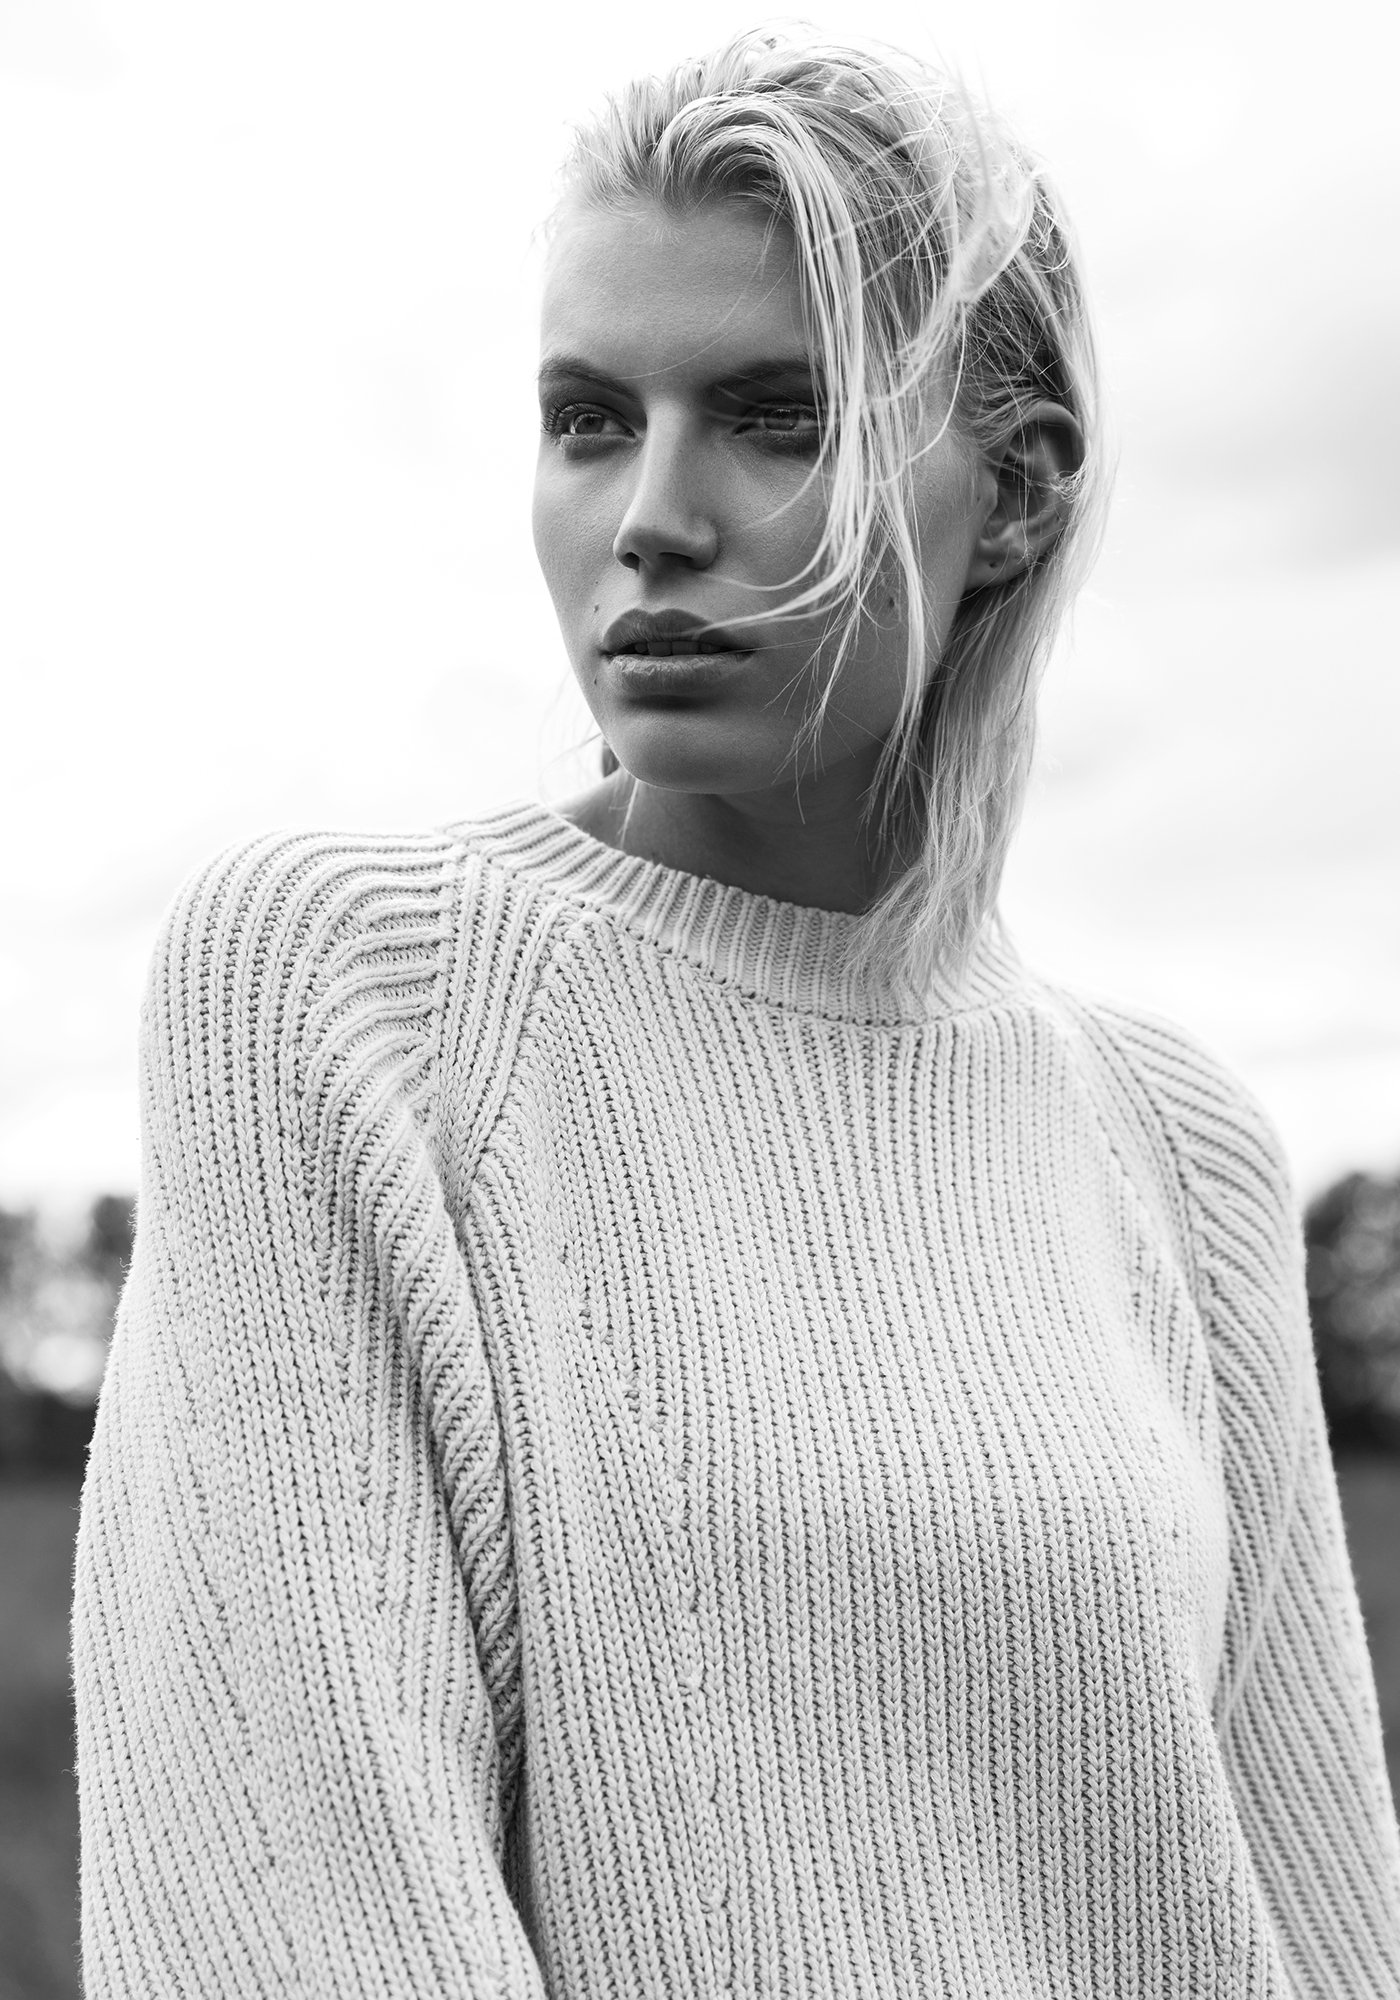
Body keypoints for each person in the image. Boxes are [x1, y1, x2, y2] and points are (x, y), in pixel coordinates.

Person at [72, 27, 1400, 1998]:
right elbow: (299, 1893)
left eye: (778, 418)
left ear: (1015, 494)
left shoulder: (1175, 1143)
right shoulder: (347, 992)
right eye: (589, 418)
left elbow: (1316, 1906)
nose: (652, 516)